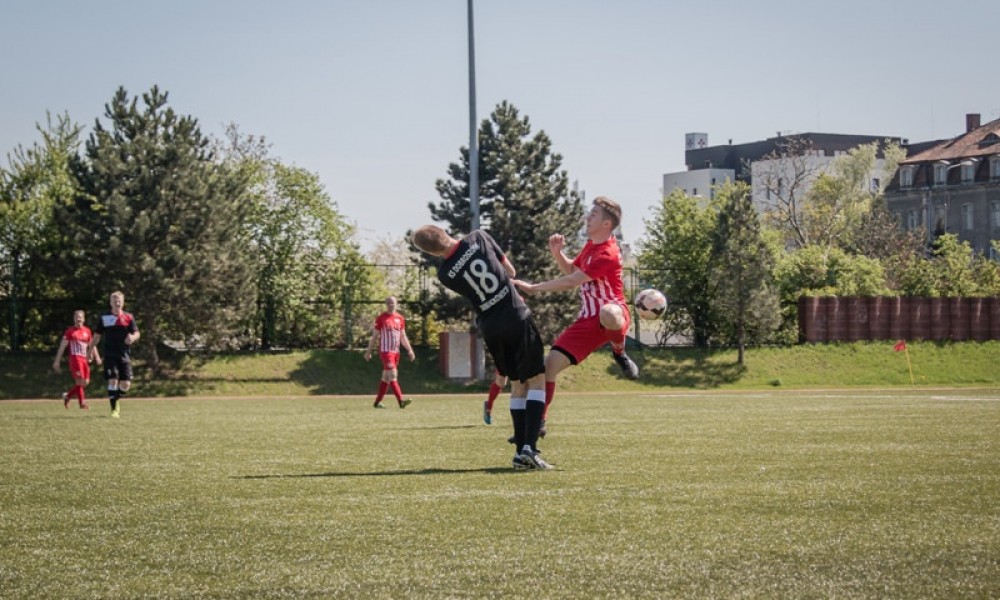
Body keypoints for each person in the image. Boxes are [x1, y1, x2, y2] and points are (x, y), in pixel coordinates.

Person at [413, 224, 551, 470]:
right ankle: (530, 448)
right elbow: (510, 269)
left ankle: (521, 452)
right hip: (515, 315)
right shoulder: (478, 237)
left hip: (490, 326)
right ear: (443, 230)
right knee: (537, 379)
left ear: (432, 253)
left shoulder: (445, 274)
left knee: (518, 384)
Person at [513, 196, 639, 432]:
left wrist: (534, 288)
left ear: (606, 224)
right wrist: (557, 253)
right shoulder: (591, 246)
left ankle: (619, 352)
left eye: (593, 214)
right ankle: (540, 420)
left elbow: (572, 280)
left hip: (614, 314)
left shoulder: (608, 252)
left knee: (608, 312)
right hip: (587, 323)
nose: (587, 217)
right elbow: (572, 269)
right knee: (547, 367)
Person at [92, 291, 140, 418]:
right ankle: (114, 409)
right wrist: (89, 350)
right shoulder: (105, 317)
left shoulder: (129, 317)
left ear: (123, 302)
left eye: (119, 300)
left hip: (124, 354)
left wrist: (132, 337)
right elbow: (96, 336)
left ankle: (115, 397)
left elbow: (137, 333)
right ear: (110, 303)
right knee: (113, 380)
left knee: (126, 385)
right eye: (114, 301)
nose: (117, 303)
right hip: (110, 354)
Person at [364, 296, 415, 409]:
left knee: (386, 378)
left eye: (392, 303)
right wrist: (368, 351)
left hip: (396, 352)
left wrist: (410, 350)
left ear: (396, 304)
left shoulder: (400, 318)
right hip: (385, 351)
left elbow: (403, 336)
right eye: (388, 303)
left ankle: (377, 403)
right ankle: (401, 401)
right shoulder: (381, 318)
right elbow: (375, 336)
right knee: (393, 375)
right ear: (386, 305)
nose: (390, 305)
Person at [52, 309, 101, 410]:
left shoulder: (87, 331)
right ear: (74, 319)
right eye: (76, 317)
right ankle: (82, 403)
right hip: (75, 358)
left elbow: (92, 344)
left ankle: (68, 396)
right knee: (80, 381)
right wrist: (57, 360)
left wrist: (96, 356)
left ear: (83, 319)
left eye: (80, 317)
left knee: (85, 382)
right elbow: (62, 346)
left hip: (84, 359)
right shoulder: (70, 332)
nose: (78, 319)